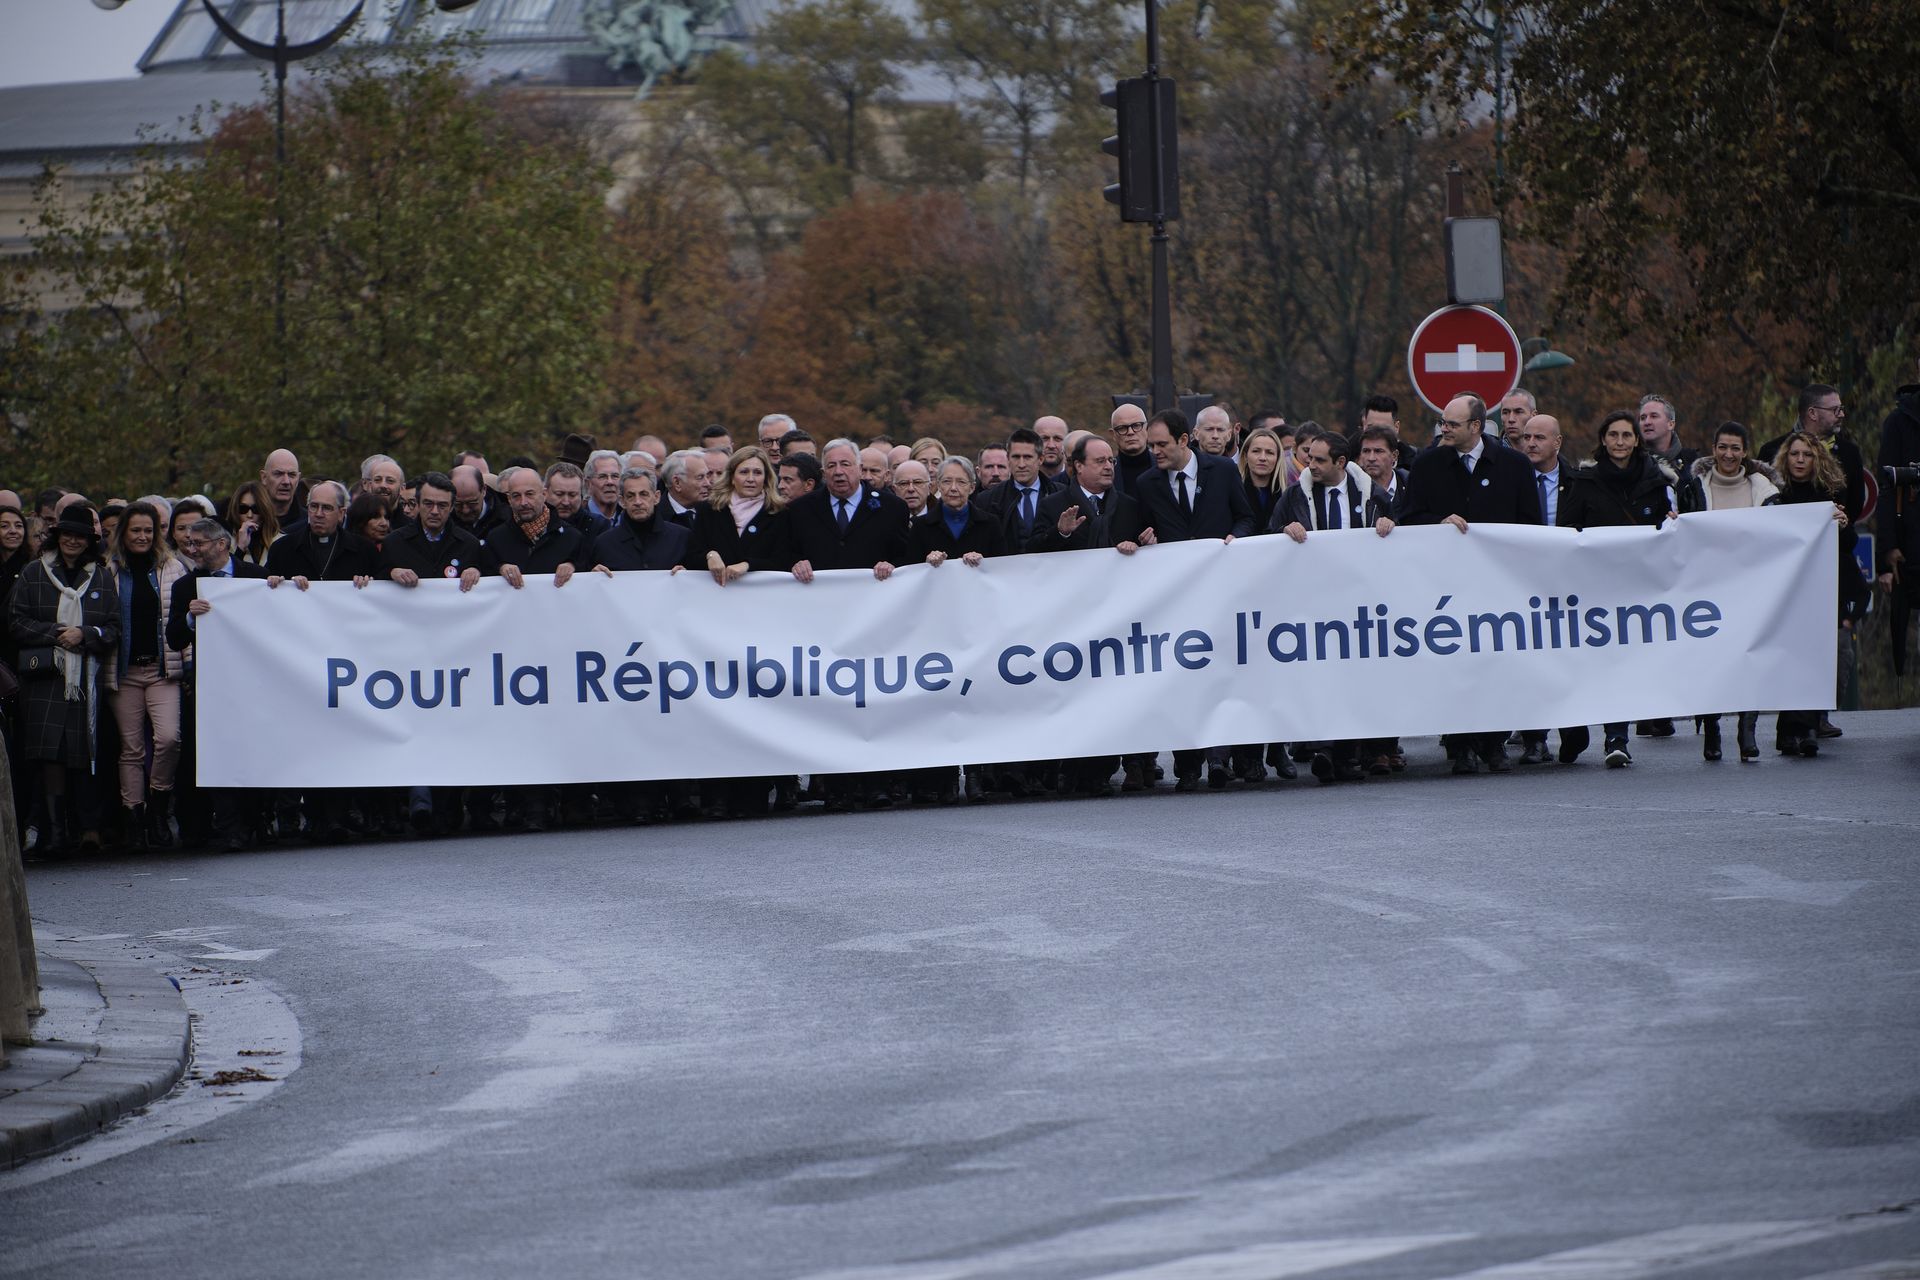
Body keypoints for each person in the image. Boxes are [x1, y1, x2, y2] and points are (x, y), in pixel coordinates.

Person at [1400, 393, 1544, 774]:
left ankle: (1493, 742)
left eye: (1451, 424)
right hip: (1443, 590)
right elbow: (1409, 518)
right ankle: (1460, 745)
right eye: (1442, 423)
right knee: (1453, 666)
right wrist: (1439, 524)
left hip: (1497, 586)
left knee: (1496, 664)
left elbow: (1531, 525)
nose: (1443, 429)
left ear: (1476, 427)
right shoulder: (1427, 464)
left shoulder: (1513, 465)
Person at [1132, 408, 1258, 791]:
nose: (1153, 451)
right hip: (1176, 597)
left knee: (1221, 672)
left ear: (1184, 440)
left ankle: (1220, 758)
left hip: (1221, 591)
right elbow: (1141, 528)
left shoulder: (1220, 471)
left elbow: (1246, 517)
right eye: (1151, 445)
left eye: (1161, 444)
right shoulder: (1147, 482)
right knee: (1182, 678)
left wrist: (1235, 539)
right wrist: (1144, 540)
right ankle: (1187, 765)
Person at [1027, 436, 1153, 795]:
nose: (1109, 466)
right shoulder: (1054, 505)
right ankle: (1071, 769)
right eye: (1099, 461)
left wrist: (1145, 549)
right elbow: (1032, 553)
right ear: (1077, 466)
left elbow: (1146, 559)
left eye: (1111, 460)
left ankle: (1104, 768)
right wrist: (1062, 532)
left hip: (1116, 620)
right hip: (1070, 619)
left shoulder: (1128, 506)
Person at [1554, 411, 1681, 768]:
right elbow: (1566, 530)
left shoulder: (1657, 482)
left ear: (1636, 440)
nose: (1621, 442)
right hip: (1592, 590)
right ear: (1603, 440)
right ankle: (1574, 730)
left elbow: (1665, 535)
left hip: (1635, 592)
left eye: (1627, 435)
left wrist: (1670, 525)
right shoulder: (1585, 481)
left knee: (1621, 666)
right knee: (1584, 665)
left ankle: (1617, 738)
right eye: (1614, 435)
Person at [1274, 433, 1394, 785]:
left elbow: (1401, 538)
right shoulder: (1295, 496)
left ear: (1341, 463)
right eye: (1310, 458)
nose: (1311, 465)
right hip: (1313, 603)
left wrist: (1389, 526)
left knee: (1355, 677)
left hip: (1360, 603)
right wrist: (1286, 529)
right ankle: (1324, 748)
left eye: (1320, 460)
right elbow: (1270, 534)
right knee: (1323, 676)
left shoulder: (1373, 495)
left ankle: (1346, 754)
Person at [10, 505, 120, 854]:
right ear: (57, 537)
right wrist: (58, 633)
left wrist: (85, 633)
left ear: (90, 541)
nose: (73, 540)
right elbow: (16, 621)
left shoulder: (101, 577)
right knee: (50, 755)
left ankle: (86, 828)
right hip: (45, 677)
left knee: (82, 752)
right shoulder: (33, 573)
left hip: (85, 677)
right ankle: (54, 832)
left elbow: (115, 628)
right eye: (68, 534)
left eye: (81, 535)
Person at [167, 518, 269, 852]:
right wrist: (188, 617)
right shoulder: (186, 587)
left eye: (198, 543)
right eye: (189, 543)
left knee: (254, 750)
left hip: (254, 682)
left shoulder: (255, 578)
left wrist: (290, 586)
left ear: (221, 544)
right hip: (211, 683)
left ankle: (257, 821)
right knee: (215, 753)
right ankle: (229, 827)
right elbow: (173, 638)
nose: (191, 549)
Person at [908, 456, 1005, 805]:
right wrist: (926, 564)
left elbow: (1007, 572)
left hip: (977, 626)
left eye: (960, 482)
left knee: (977, 699)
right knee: (941, 701)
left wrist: (984, 566)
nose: (952, 488)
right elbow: (907, 578)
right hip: (936, 628)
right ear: (937, 486)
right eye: (946, 482)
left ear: (971, 486)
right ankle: (945, 774)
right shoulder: (921, 528)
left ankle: (978, 773)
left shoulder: (990, 524)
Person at [1766, 430, 1868, 757]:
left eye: (1806, 455)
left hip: (1823, 589)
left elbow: (1849, 546)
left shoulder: (1828, 498)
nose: (1799, 460)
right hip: (1787, 590)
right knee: (1791, 658)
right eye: (1794, 454)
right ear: (1786, 457)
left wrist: (1840, 523)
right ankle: (1788, 730)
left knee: (1816, 658)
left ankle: (1808, 726)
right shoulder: (1774, 497)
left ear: (1816, 461)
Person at [1688, 423, 1779, 762]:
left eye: (1735, 448)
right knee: (1711, 662)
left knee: (1749, 658)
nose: (1728, 454)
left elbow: (1787, 527)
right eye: (1722, 447)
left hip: (1750, 588)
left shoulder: (1765, 491)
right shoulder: (1693, 488)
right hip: (1706, 589)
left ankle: (1747, 728)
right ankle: (1711, 728)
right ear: (1713, 448)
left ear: (1745, 452)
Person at [104, 501, 188, 850]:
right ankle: (133, 817)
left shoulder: (172, 568)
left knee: (169, 738)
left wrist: (188, 663)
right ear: (124, 533)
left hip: (161, 669)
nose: (141, 536)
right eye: (135, 530)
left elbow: (183, 619)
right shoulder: (107, 570)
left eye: (148, 531)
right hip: (123, 672)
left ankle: (158, 805)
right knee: (131, 748)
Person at [683, 446, 789, 586]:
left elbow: (784, 561)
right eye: (744, 472)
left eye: (757, 473)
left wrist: (748, 565)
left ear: (766, 478)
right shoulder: (709, 509)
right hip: (716, 595)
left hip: (762, 596)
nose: (750, 479)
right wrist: (710, 556)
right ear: (732, 477)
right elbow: (692, 556)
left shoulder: (779, 512)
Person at [266, 481, 380, 589]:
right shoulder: (282, 549)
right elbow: (265, 589)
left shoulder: (365, 550)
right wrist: (279, 582)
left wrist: (368, 584)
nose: (318, 514)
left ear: (341, 513)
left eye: (326, 508)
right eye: (314, 506)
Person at [592, 469, 690, 572]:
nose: (637, 502)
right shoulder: (604, 544)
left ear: (656, 497)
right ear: (622, 501)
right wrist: (594, 576)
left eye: (644, 494)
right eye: (630, 496)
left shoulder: (681, 538)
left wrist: (687, 575)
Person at [1238, 426, 1287, 531]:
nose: (1262, 458)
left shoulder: (1288, 496)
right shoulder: (1233, 492)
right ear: (1246, 456)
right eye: (1256, 451)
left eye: (1269, 453)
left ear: (1277, 458)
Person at [1354, 425, 1408, 518]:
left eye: (1378, 451)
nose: (1371, 458)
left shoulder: (1410, 486)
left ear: (1394, 455)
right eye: (1366, 451)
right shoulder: (1352, 488)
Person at [225, 480, 281, 568]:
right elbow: (227, 577)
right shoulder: (224, 543)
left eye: (256, 509)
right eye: (243, 509)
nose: (250, 515)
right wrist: (240, 548)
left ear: (264, 510)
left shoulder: (281, 541)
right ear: (235, 511)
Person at [545, 461, 609, 538]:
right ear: (545, 493)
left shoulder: (598, 526)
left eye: (572, 495)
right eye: (559, 494)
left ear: (581, 495)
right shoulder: (533, 524)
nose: (566, 502)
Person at [1109, 402, 1156, 497]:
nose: (1130, 432)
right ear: (1113, 434)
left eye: (1136, 425)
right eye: (1122, 428)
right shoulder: (1107, 472)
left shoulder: (1167, 467)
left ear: (1147, 429)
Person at [451, 465, 506, 541]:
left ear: (483, 490)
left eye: (472, 503)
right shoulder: (443, 521)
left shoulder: (507, 520)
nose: (465, 510)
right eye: (458, 504)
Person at [660, 450, 711, 527]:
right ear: (677, 482)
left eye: (707, 476)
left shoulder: (715, 511)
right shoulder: (655, 517)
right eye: (700, 477)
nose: (707, 484)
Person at [260, 448, 305, 534]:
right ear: (264, 477)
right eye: (278, 474)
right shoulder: (249, 519)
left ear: (298, 478)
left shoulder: (309, 524)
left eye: (292, 475)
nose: (286, 482)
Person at [585, 449, 626, 525]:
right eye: (602, 476)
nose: (610, 482)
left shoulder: (629, 518)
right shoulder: (578, 521)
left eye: (615, 476)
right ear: (588, 484)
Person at [1034, 415, 1069, 484]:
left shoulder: (1078, 482)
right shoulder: (1022, 482)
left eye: (1057, 439)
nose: (1051, 446)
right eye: (1044, 439)